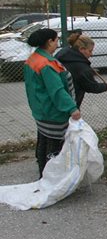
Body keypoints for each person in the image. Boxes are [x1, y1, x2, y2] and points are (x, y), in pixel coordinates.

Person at [24, 28, 81, 177]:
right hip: (53, 113)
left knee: (43, 141)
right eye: (56, 40)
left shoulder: (33, 59)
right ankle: (52, 178)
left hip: (41, 110)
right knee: (54, 148)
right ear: (49, 42)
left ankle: (43, 175)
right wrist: (72, 108)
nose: (58, 43)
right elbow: (57, 91)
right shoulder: (46, 64)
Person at [56, 33, 107, 108]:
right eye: (90, 51)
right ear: (82, 49)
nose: (91, 54)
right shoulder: (82, 68)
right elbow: (92, 87)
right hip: (70, 105)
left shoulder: (63, 53)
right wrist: (106, 86)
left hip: (57, 99)